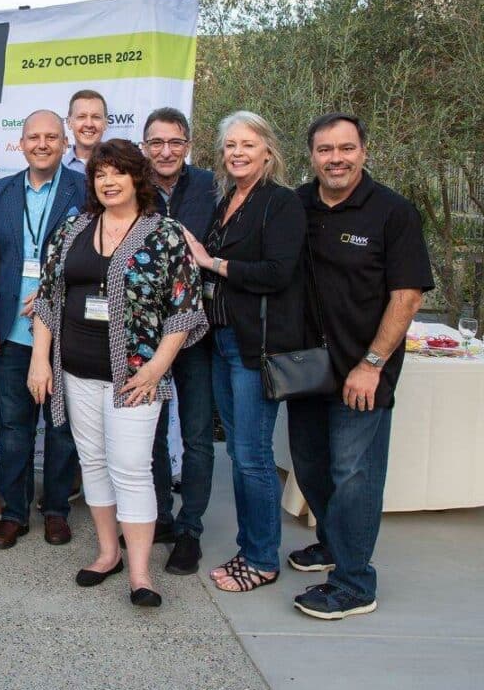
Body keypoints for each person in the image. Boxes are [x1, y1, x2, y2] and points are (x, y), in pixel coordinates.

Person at [29, 140, 206, 607]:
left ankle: (141, 573)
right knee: (94, 464)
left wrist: (156, 368)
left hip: (135, 376)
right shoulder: (73, 227)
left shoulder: (165, 233)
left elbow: (185, 308)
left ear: (137, 179)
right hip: (76, 373)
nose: (108, 181)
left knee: (131, 469)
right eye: (100, 174)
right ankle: (108, 554)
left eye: (117, 173)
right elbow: (48, 297)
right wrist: (38, 359)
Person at [287, 112, 432, 620]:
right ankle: (332, 545)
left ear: (364, 152)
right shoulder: (296, 205)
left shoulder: (393, 212)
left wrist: (372, 363)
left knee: (355, 475)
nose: (336, 159)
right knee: (311, 465)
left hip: (363, 370)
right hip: (306, 369)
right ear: (311, 156)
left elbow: (408, 296)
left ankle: (354, 582)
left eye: (345, 148)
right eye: (325, 150)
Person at [183, 111, 305, 594]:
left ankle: (260, 558)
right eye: (230, 145)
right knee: (239, 451)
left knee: (252, 456)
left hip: (256, 347)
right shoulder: (229, 199)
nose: (236, 152)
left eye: (247, 145)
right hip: (222, 340)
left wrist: (212, 262)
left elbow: (277, 272)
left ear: (268, 151)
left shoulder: (281, 203)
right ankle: (249, 546)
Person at [0, 110, 87, 549]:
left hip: (66, 333)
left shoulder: (85, 190)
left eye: (51, 137)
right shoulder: (0, 192)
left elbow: (97, 259)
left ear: (63, 141)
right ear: (20, 144)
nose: (42, 144)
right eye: (33, 137)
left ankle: (55, 509)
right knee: (14, 429)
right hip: (12, 333)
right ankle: (14, 513)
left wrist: (58, 294)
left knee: (60, 429)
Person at [141, 107, 218, 574]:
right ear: (145, 145)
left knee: (196, 437)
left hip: (198, 332)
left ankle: (190, 530)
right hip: (147, 334)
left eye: (175, 142)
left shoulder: (212, 186)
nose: (166, 151)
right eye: (156, 143)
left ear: (188, 144)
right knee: (149, 431)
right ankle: (161, 520)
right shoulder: (132, 186)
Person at [62, 89, 108, 174]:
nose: (89, 124)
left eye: (96, 117)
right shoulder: (57, 170)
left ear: (105, 123)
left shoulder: (121, 166)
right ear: (69, 122)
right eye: (81, 117)